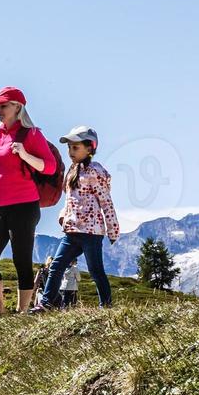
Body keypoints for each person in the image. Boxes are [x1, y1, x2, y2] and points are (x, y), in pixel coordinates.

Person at [0, 87, 59, 315]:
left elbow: (50, 167)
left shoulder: (31, 134)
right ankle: (0, 311)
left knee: (21, 259)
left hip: (24, 206)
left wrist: (24, 154)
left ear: (17, 107)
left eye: (3, 106)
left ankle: (22, 312)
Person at [36, 126, 119, 311]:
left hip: (91, 232)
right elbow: (69, 200)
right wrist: (63, 215)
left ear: (90, 148)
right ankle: (47, 303)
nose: (70, 152)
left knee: (95, 270)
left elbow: (105, 201)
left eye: (75, 147)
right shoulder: (72, 171)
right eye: (69, 148)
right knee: (57, 265)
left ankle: (106, 306)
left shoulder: (95, 172)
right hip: (72, 231)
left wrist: (113, 229)